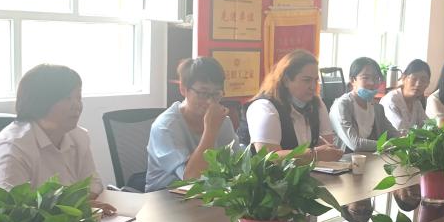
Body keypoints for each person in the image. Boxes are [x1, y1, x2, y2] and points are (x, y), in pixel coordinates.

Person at [0, 64, 108, 207]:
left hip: (72, 220)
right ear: (42, 101)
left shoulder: (78, 136)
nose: (76, 105)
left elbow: (93, 185)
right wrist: (76, 208)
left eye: (78, 97)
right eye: (67, 98)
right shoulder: (13, 148)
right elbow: (6, 207)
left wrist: (81, 207)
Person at [145, 57, 238, 192]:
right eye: (202, 93)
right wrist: (210, 130)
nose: (210, 101)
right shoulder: (166, 127)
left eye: (216, 94)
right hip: (165, 197)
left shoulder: (223, 121)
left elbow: (237, 167)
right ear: (183, 89)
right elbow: (191, 178)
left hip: (208, 195)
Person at [241, 50, 342, 163]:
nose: (313, 87)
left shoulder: (316, 103)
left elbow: (327, 147)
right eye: (306, 80)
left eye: (316, 80)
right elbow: (269, 157)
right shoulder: (264, 107)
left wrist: (327, 152)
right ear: (286, 80)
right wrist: (314, 154)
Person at [329, 57, 399, 153]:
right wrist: (389, 145)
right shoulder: (342, 105)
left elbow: (395, 135)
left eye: (376, 78)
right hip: (345, 160)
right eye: (365, 78)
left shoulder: (377, 108)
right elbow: (355, 144)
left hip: (372, 159)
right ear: (353, 80)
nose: (372, 83)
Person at [382, 59, 430, 132]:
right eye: (414, 79)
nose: (418, 84)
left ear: (428, 84)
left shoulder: (416, 102)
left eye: (423, 80)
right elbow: (399, 132)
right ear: (403, 78)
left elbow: (427, 125)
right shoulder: (391, 100)